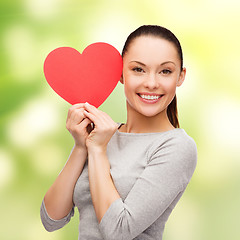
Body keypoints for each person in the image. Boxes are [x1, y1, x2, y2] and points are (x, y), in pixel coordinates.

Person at [40, 25, 197, 240]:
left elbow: (119, 232)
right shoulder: (102, 134)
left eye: (165, 71)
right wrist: (80, 146)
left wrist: (96, 150)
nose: (151, 83)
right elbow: (51, 219)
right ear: (120, 73)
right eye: (138, 69)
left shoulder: (177, 147)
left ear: (180, 76)